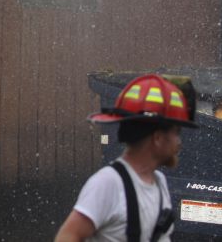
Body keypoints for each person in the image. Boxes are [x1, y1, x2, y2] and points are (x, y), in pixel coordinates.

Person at [55, 74, 198, 242]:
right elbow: (67, 237)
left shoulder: (159, 183)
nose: (179, 142)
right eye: (176, 133)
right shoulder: (108, 183)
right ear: (158, 138)